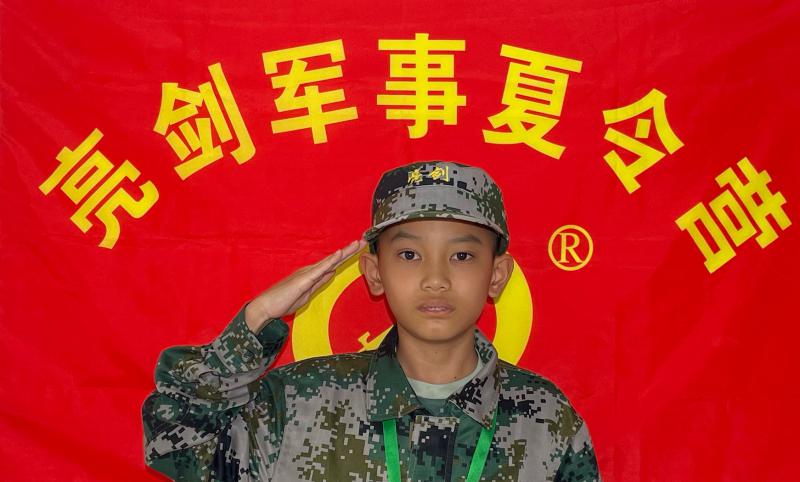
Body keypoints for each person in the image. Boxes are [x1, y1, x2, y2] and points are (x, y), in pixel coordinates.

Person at [142, 161, 600, 481]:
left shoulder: (543, 417)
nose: (435, 279)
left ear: (496, 275)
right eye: (409, 255)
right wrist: (257, 318)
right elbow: (176, 444)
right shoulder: (299, 403)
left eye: (462, 255)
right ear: (375, 273)